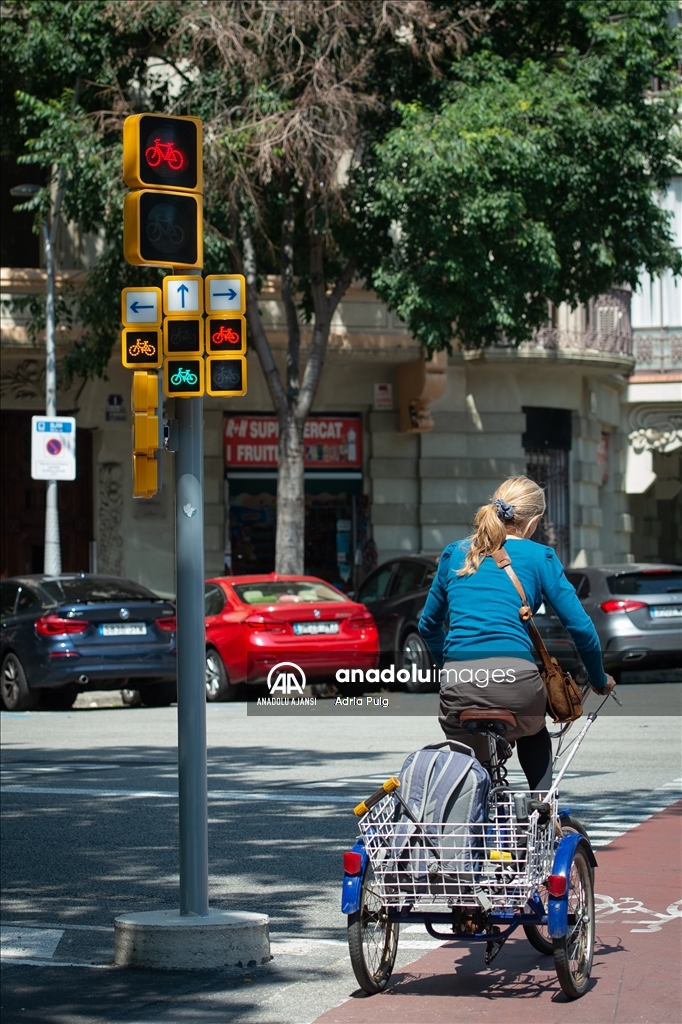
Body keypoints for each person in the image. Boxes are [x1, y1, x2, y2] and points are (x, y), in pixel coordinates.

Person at [418, 475, 616, 792]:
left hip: (458, 683)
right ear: (534, 521)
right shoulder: (541, 557)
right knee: (532, 730)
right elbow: (580, 627)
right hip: (517, 681)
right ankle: (540, 811)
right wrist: (597, 677)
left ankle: (473, 817)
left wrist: (453, 664)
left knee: (472, 761)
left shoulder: (454, 553)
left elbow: (428, 624)